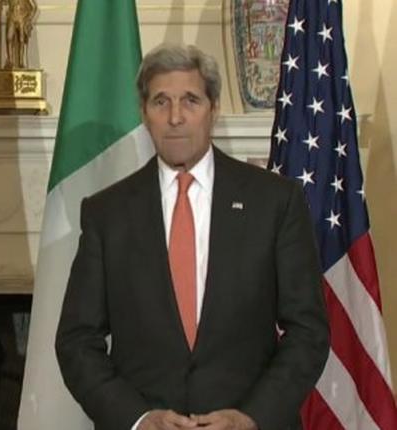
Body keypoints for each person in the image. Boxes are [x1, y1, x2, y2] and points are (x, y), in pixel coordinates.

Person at [54, 44, 329, 430]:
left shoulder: (275, 201)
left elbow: (308, 330)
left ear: (213, 109)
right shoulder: (107, 213)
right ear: (144, 114)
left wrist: (252, 417)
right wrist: (137, 419)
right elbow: (77, 340)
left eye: (191, 101)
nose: (176, 117)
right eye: (161, 102)